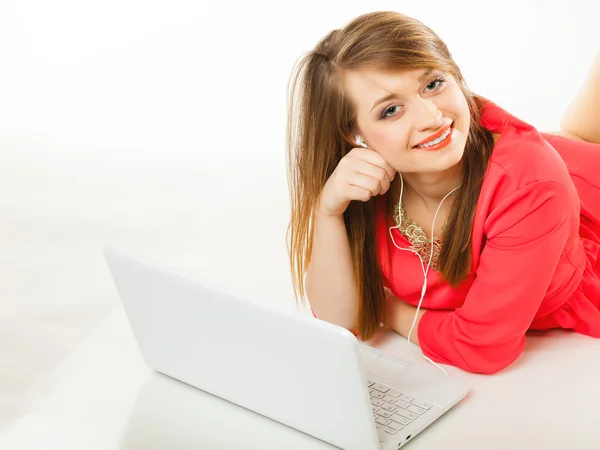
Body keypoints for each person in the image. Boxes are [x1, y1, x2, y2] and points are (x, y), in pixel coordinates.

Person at [285, 11, 600, 374]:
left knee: (571, 147)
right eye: (391, 110)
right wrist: (328, 210)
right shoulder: (369, 179)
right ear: (353, 135)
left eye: (432, 84)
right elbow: (338, 321)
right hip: (555, 169)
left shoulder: (530, 188)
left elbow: (482, 348)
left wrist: (382, 308)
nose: (430, 117)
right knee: (573, 138)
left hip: (568, 187)